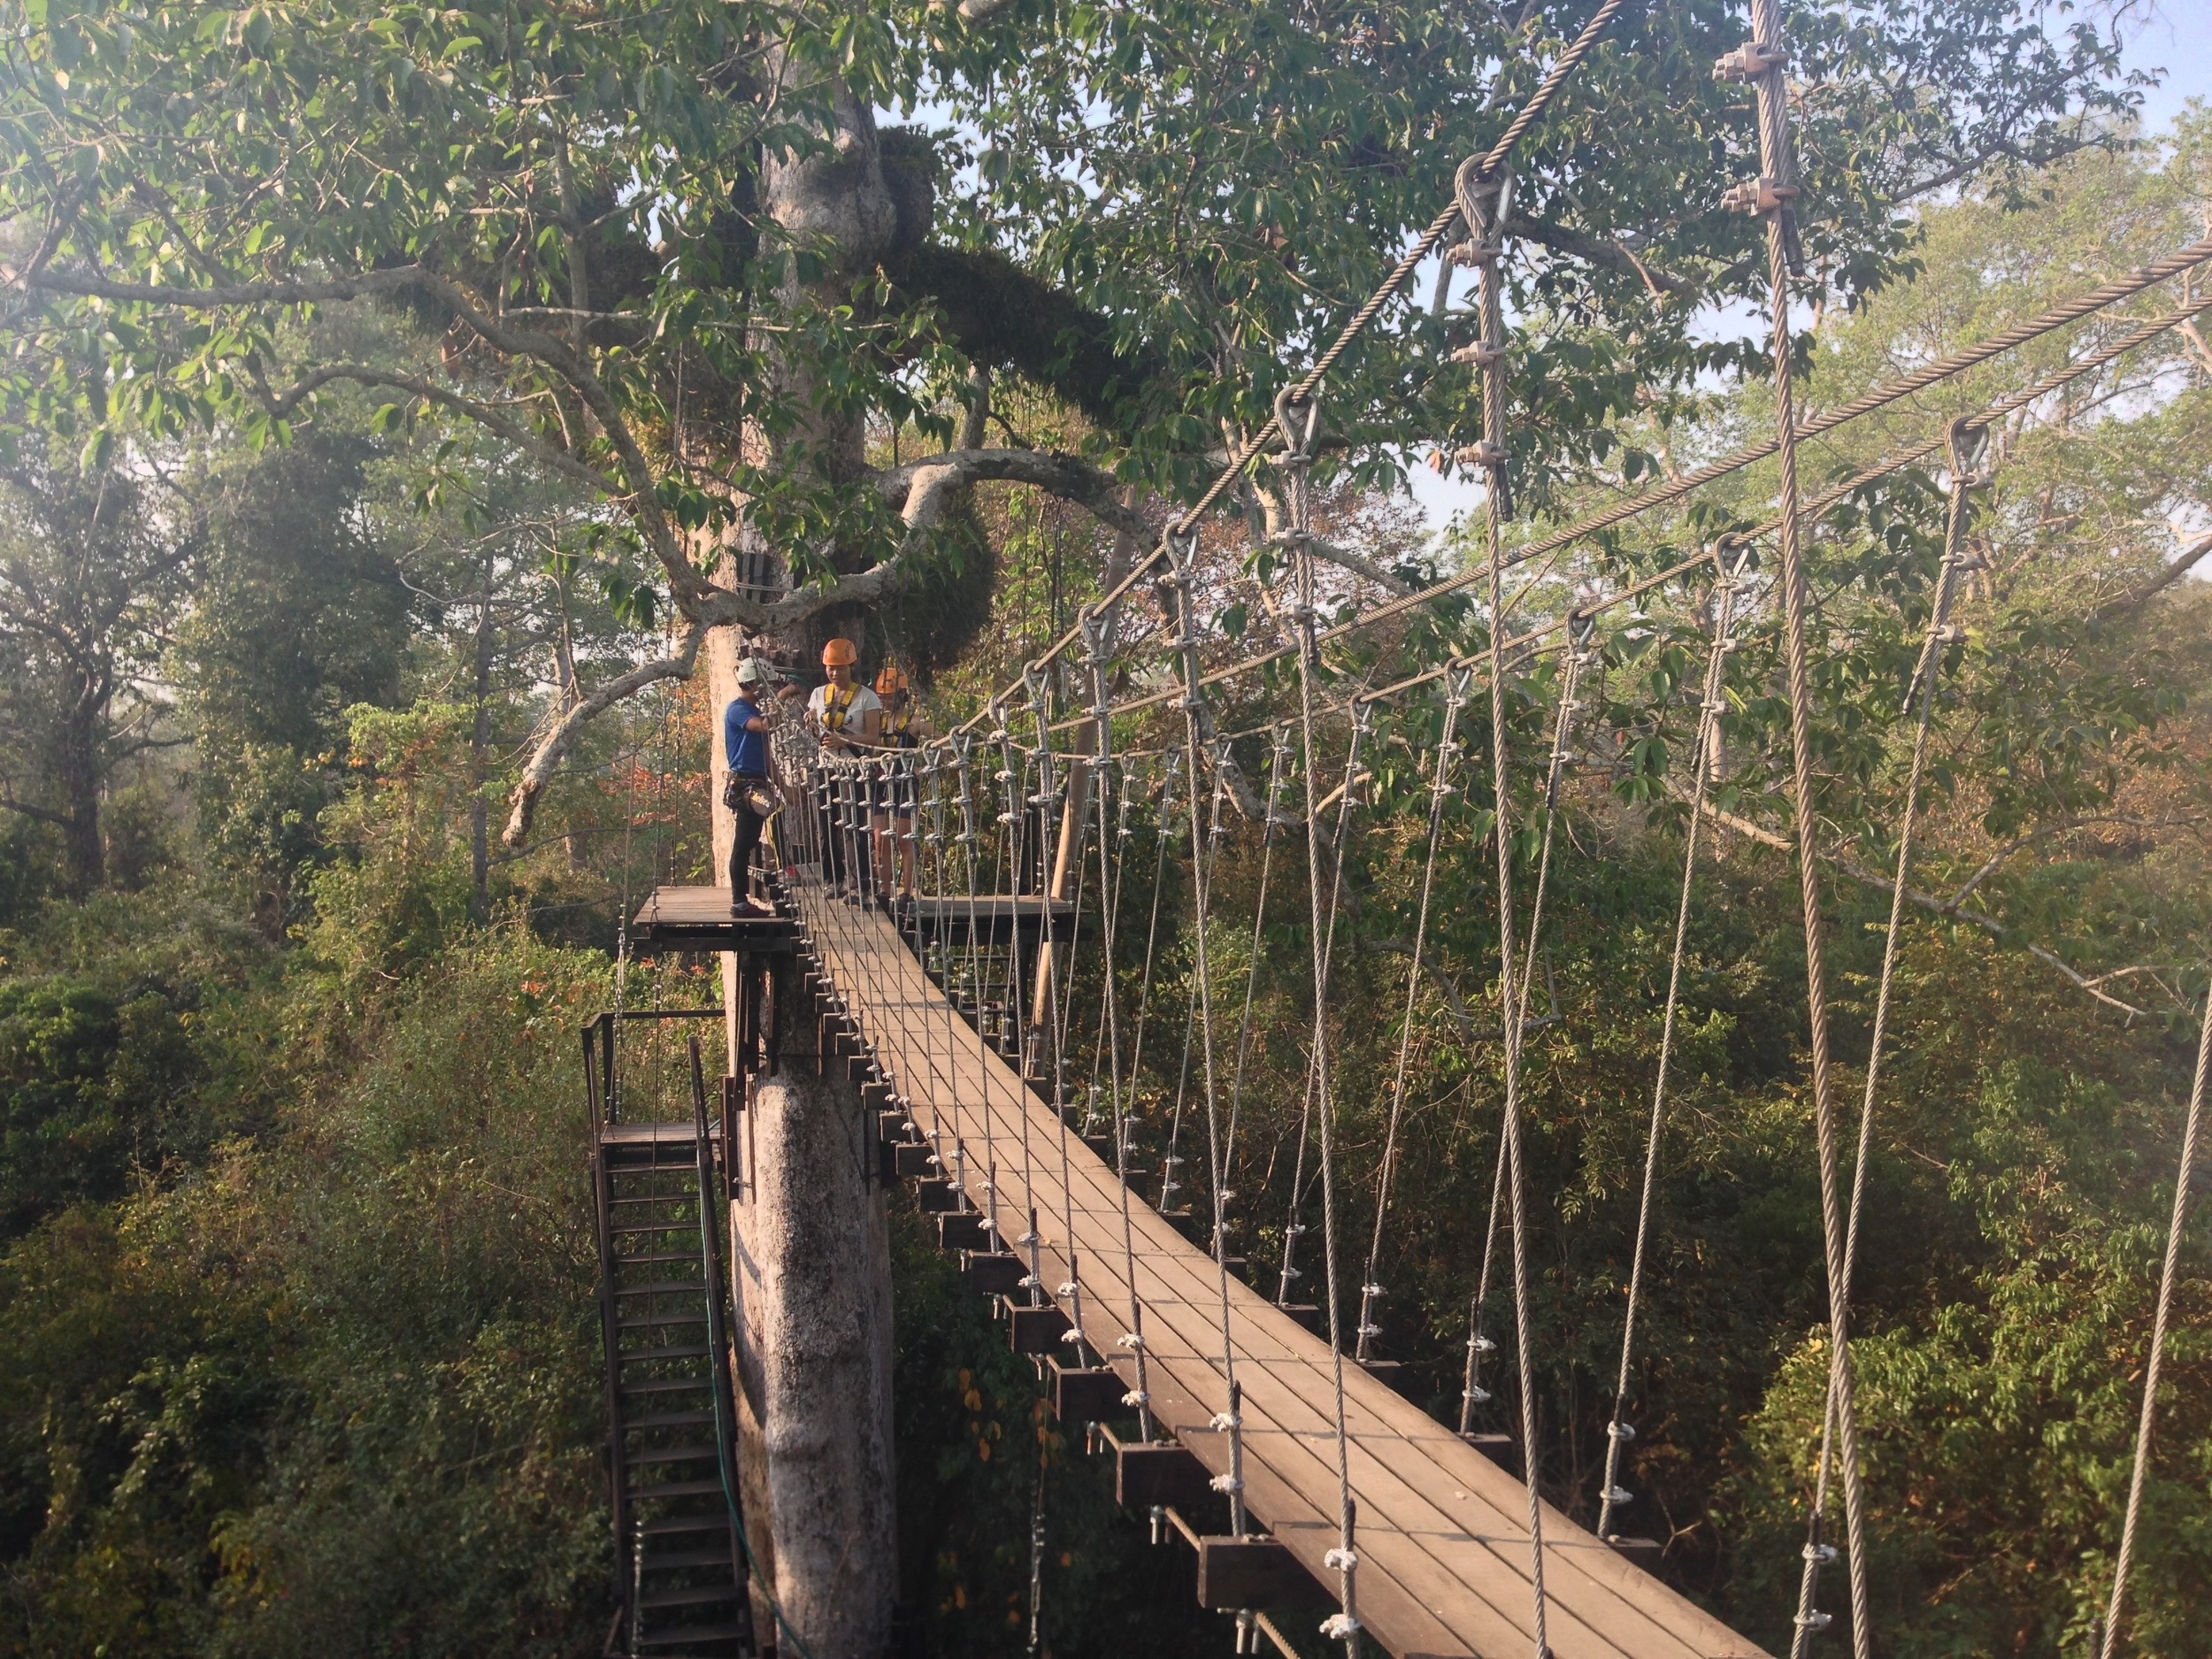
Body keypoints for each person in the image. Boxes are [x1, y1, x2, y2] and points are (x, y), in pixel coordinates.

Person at [804, 637, 880, 895]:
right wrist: (812, 724)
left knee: (852, 826)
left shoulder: (866, 698)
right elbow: (816, 733)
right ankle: (832, 880)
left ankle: (857, 882)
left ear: (851, 667)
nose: (835, 673)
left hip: (853, 768)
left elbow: (874, 737)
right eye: (830, 668)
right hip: (825, 767)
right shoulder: (817, 695)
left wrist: (844, 740)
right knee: (825, 826)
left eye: (840, 668)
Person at [723, 657, 781, 916]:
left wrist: (783, 786)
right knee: (745, 841)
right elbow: (764, 727)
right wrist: (786, 694)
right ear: (755, 684)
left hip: (756, 781)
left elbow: (766, 755)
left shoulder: (754, 710)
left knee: (747, 841)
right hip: (744, 785)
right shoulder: (737, 709)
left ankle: (741, 900)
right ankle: (739, 901)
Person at [870, 665, 933, 900]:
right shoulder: (878, 721)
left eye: (889, 696)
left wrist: (922, 768)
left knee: (903, 841)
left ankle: (906, 892)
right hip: (881, 783)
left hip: (905, 784)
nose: (885, 701)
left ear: (902, 695)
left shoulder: (916, 722)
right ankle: (885, 889)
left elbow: (942, 744)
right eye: (882, 697)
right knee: (880, 840)